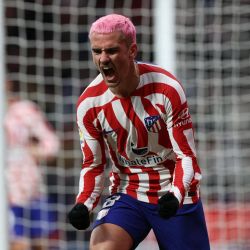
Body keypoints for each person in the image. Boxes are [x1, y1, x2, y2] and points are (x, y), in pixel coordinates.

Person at [68, 14, 210, 250]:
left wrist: (175, 196)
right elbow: (93, 163)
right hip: (128, 191)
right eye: (97, 51)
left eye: (112, 50)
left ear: (132, 50)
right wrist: (84, 203)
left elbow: (186, 156)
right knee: (103, 247)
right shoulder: (89, 104)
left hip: (175, 194)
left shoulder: (167, 89)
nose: (103, 59)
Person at [4, 80, 60, 250]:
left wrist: (29, 151)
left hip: (31, 189)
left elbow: (52, 144)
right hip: (6, 194)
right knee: (16, 242)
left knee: (43, 242)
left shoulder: (23, 110)